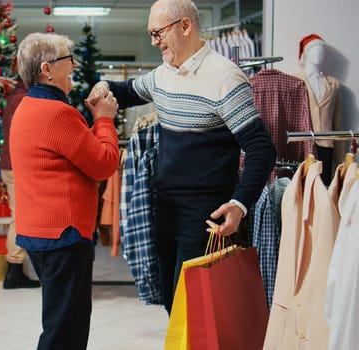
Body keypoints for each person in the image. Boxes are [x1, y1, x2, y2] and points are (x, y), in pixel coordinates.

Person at [88, 0, 276, 315]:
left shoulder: (225, 77)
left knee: (193, 308)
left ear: (185, 25)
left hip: (205, 213)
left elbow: (261, 148)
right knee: (172, 301)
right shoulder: (164, 74)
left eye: (157, 33)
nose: (153, 41)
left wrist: (240, 204)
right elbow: (128, 91)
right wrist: (104, 85)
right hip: (166, 208)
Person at [10, 32, 120, 350]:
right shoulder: (58, 113)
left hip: (40, 234)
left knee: (60, 321)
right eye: (67, 60)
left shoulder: (29, 106)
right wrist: (104, 120)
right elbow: (104, 164)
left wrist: (92, 121)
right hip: (63, 236)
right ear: (47, 69)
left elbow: (70, 153)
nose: (73, 65)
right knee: (65, 332)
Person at [0, 57, 40, 290]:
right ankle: (14, 270)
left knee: (19, 215)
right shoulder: (25, 99)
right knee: (20, 217)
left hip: (9, 164)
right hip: (18, 166)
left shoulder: (13, 97)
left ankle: (17, 269)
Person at [296, 34, 342, 184]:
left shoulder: (333, 84)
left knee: (324, 187)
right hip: (303, 143)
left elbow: (338, 120)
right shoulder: (295, 81)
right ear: (306, 54)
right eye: (314, 49)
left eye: (322, 50)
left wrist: (341, 159)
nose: (319, 53)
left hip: (326, 144)